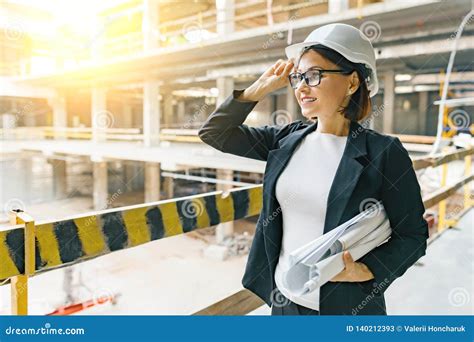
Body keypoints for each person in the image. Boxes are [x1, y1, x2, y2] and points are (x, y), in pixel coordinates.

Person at [198, 23, 429, 315]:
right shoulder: (286, 139)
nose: (301, 87)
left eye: (314, 75)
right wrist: (259, 88)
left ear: (352, 82)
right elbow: (215, 133)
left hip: (347, 308)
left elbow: (412, 235)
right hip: (285, 306)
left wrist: (367, 270)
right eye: (298, 77)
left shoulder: (383, 153)